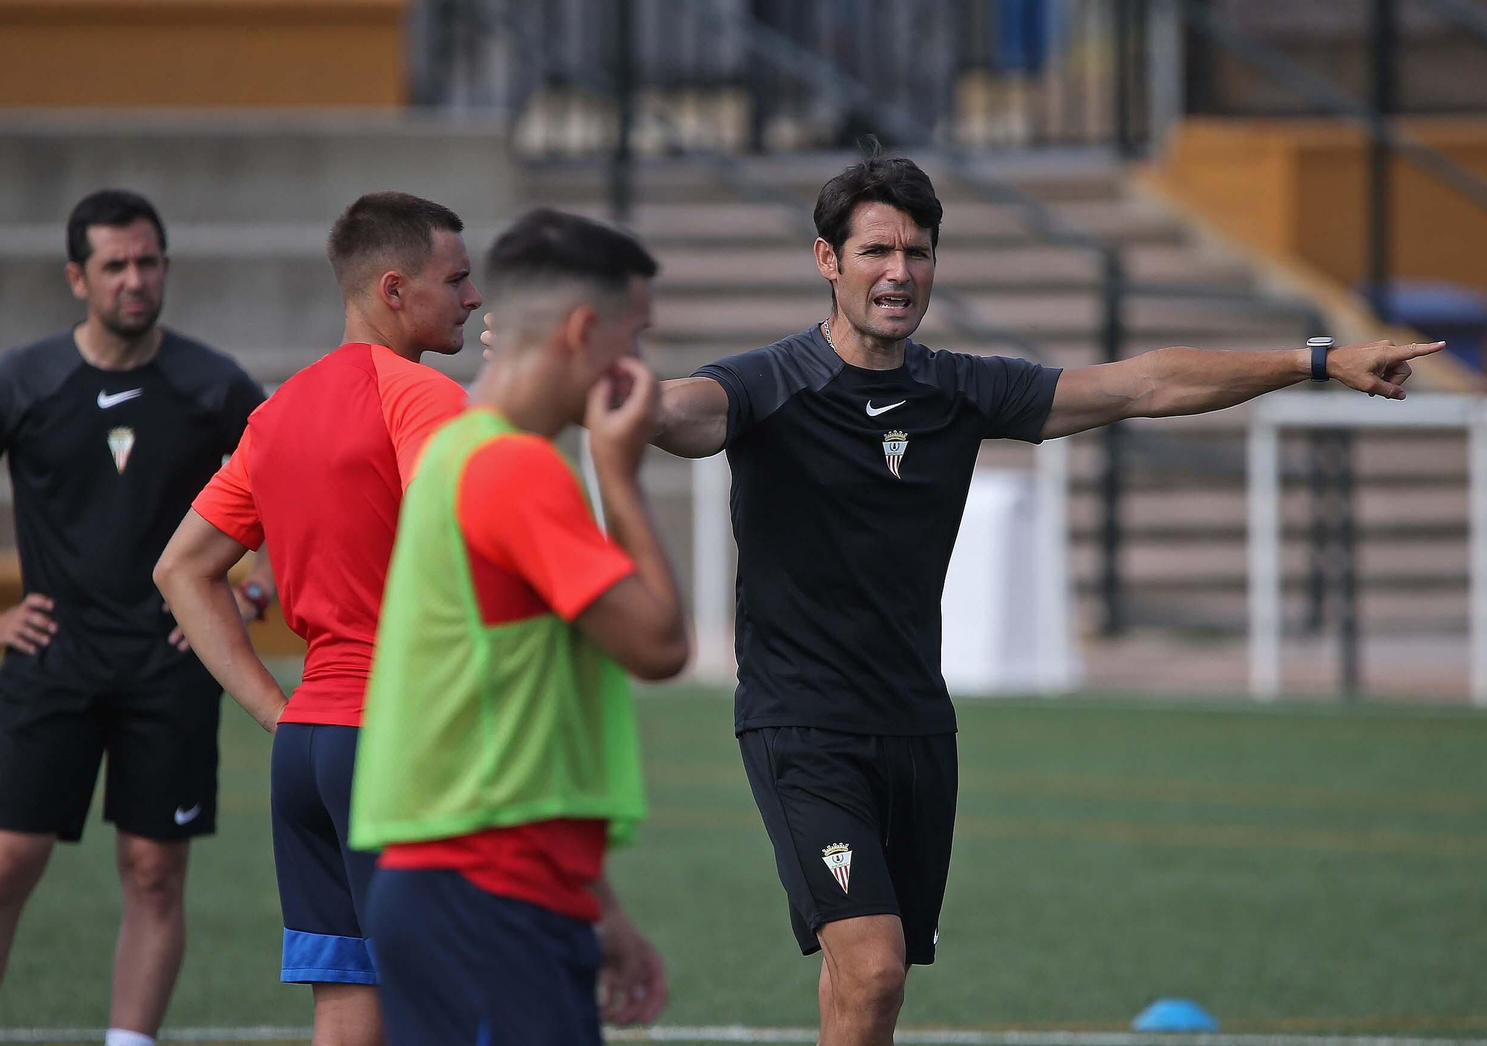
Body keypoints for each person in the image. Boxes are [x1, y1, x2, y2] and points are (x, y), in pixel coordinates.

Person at [632, 154, 1444, 1046]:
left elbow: (1144, 384)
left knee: (866, 981)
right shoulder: (768, 385)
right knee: (872, 966)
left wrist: (1316, 359)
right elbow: (678, 414)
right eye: (875, 252)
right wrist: (596, 384)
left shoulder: (959, 389)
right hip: (801, 726)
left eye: (918, 252)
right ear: (827, 260)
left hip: (917, 728)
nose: (899, 272)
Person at [0, 189, 271, 1046]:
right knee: (1, 865)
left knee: (154, 874)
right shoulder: (22, 380)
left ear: (166, 268)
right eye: (115, 265)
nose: (135, 280)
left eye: (148, 262)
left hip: (170, 665)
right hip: (53, 662)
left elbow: (292, 497)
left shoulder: (212, 383)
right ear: (78, 277)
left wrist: (249, 597)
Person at [349, 208, 686, 1045]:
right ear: (582, 332)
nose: (640, 366)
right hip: (487, 895)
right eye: (633, 337)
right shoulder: (514, 469)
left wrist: (597, 907)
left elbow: (521, 716)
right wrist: (619, 473)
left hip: (477, 886)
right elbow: (660, 645)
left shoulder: (461, 453)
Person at [153, 192, 480, 1045]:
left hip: (309, 746)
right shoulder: (425, 399)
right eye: (459, 279)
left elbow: (180, 569)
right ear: (397, 289)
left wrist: (274, 708)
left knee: (346, 1002)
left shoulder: (276, 413)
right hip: (401, 739)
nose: (474, 299)